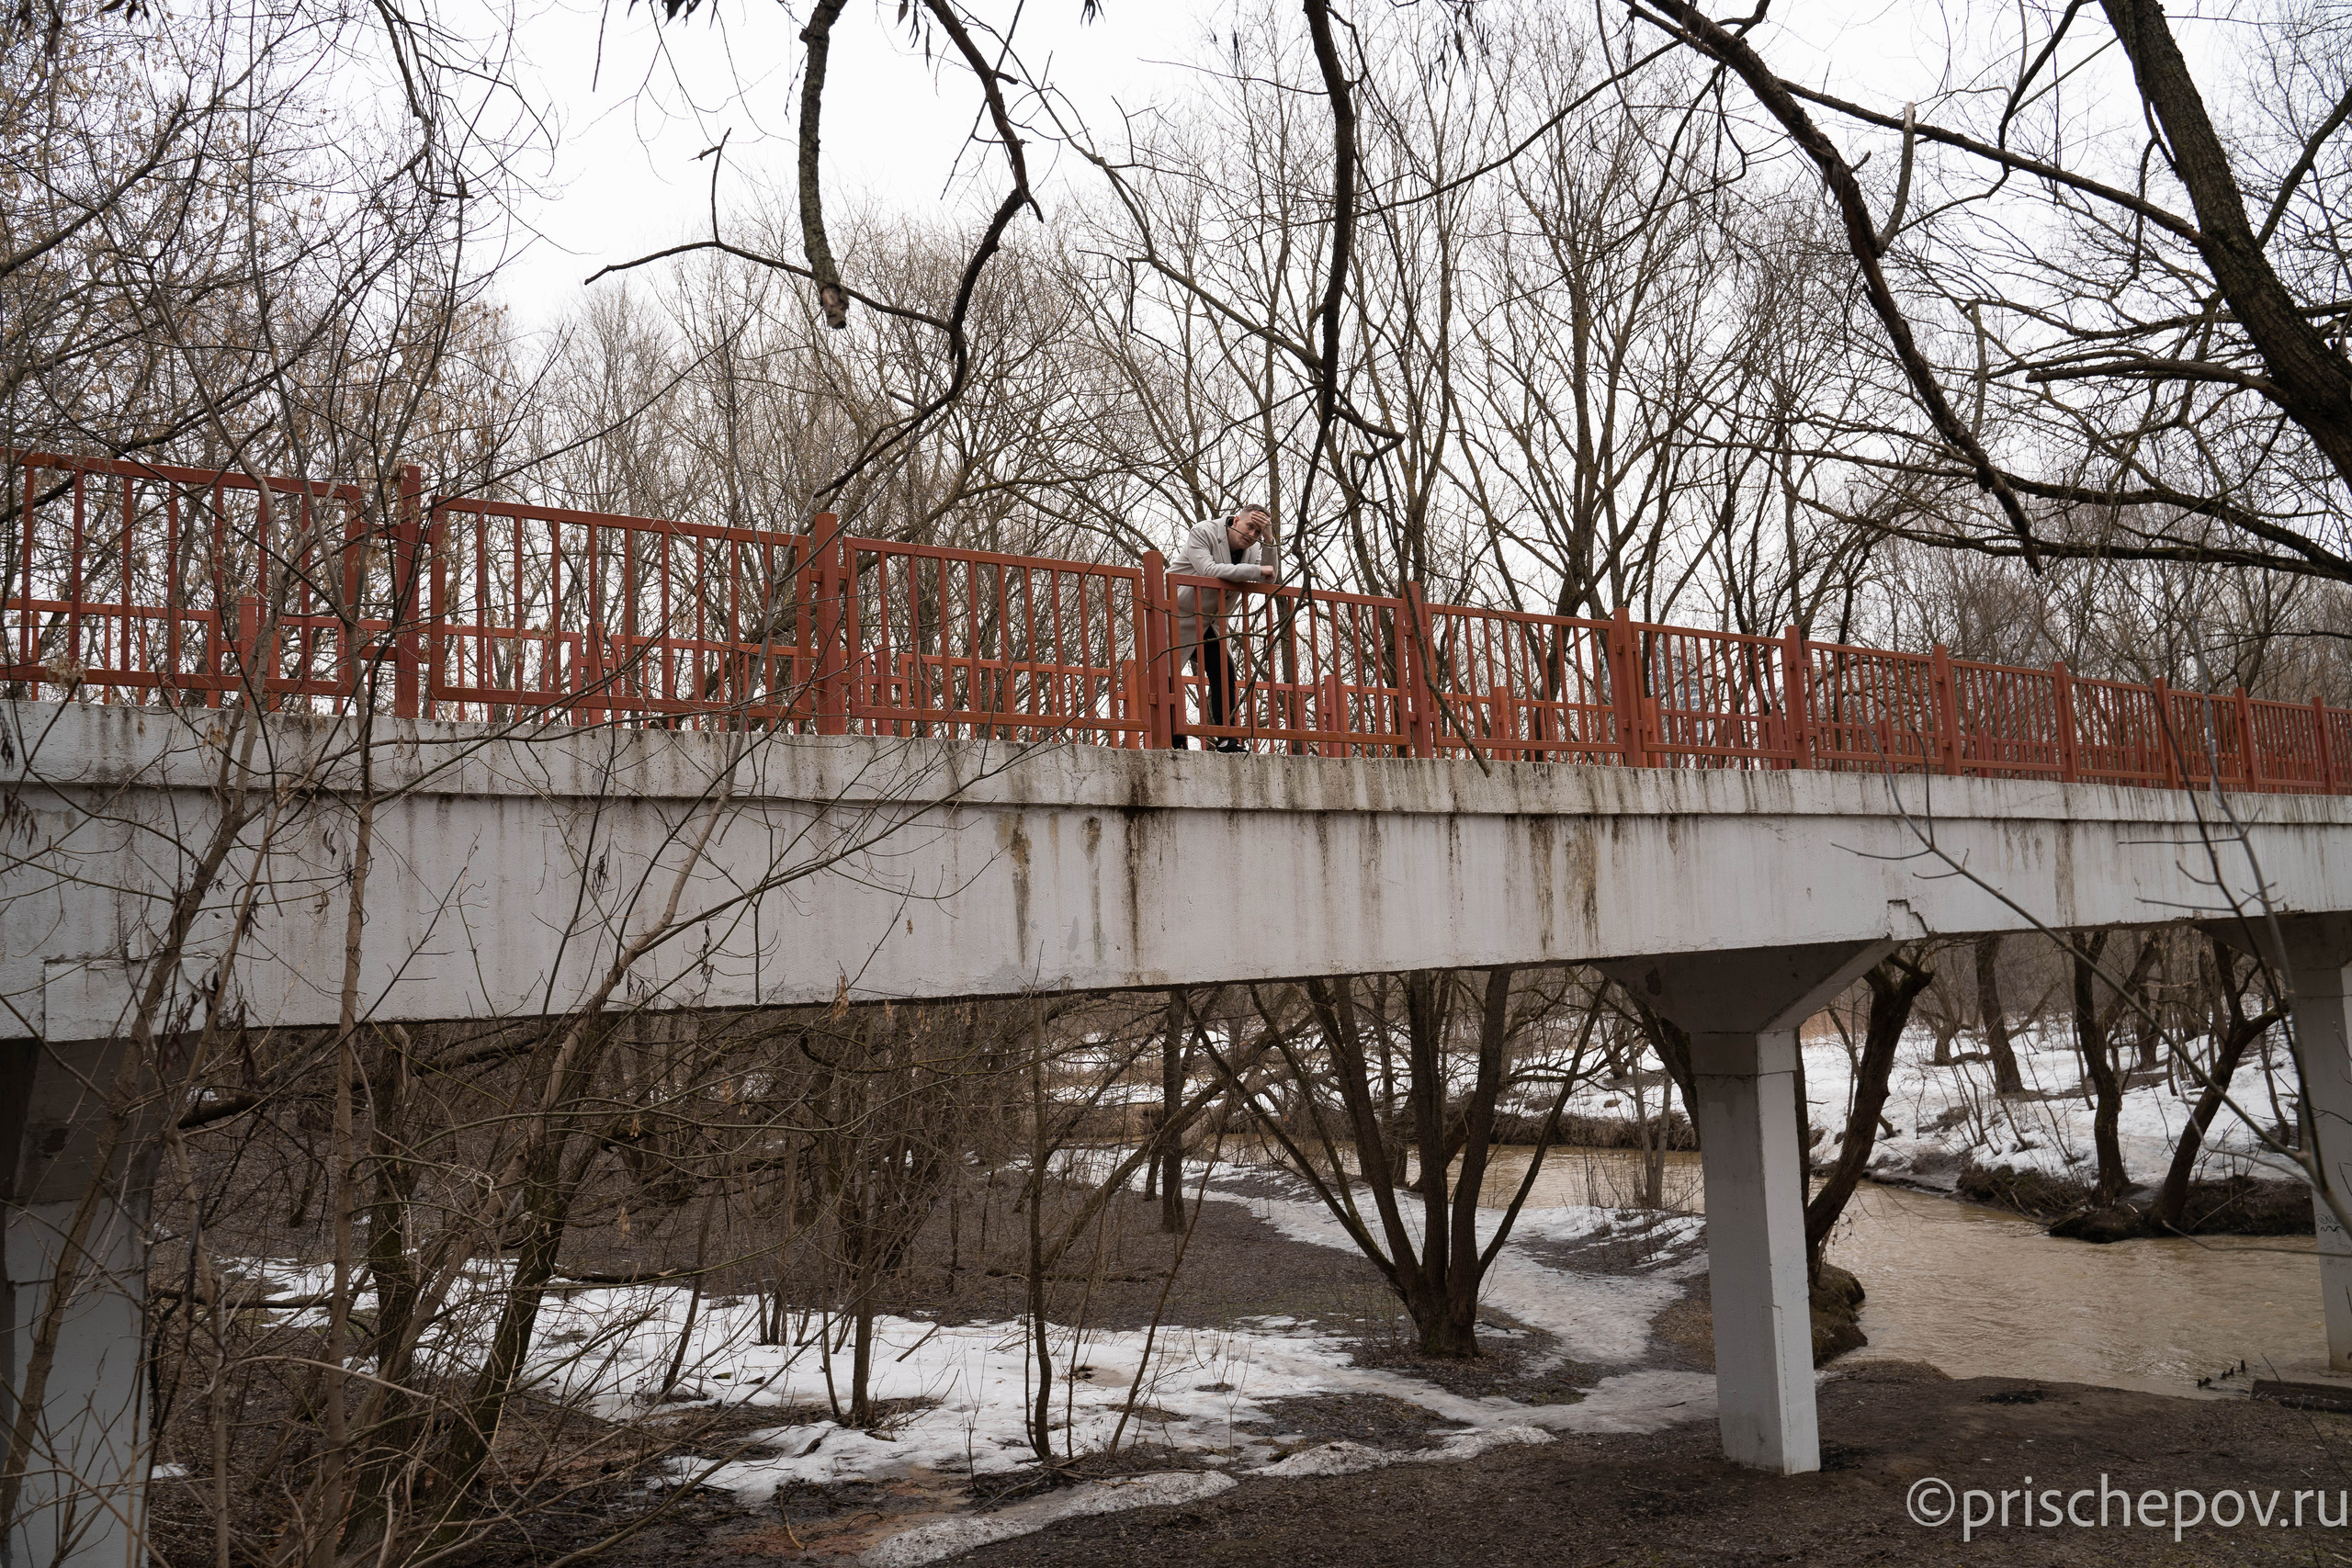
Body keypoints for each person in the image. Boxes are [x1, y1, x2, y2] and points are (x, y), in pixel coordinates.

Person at [1170, 506, 1277, 750]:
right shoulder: (1203, 532)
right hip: (1175, 613)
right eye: (1250, 526)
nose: (1252, 534)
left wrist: (1270, 542)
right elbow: (1208, 570)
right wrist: (1256, 571)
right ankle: (1176, 742)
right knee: (1168, 677)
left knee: (1224, 669)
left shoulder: (1256, 548)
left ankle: (1227, 738)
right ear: (1236, 520)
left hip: (1210, 621)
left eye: (1259, 531)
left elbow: (1271, 575)